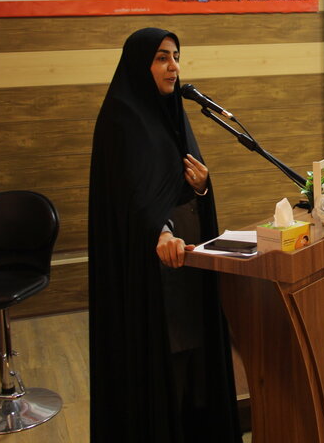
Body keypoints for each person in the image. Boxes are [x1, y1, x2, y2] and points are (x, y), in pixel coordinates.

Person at [88, 28, 241, 443]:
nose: (173, 66)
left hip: (190, 259)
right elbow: (126, 197)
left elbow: (179, 185)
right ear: (140, 64)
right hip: (152, 269)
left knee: (197, 357)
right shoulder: (121, 118)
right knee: (168, 358)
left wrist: (203, 186)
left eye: (175, 57)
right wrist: (157, 231)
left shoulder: (173, 113)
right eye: (161, 58)